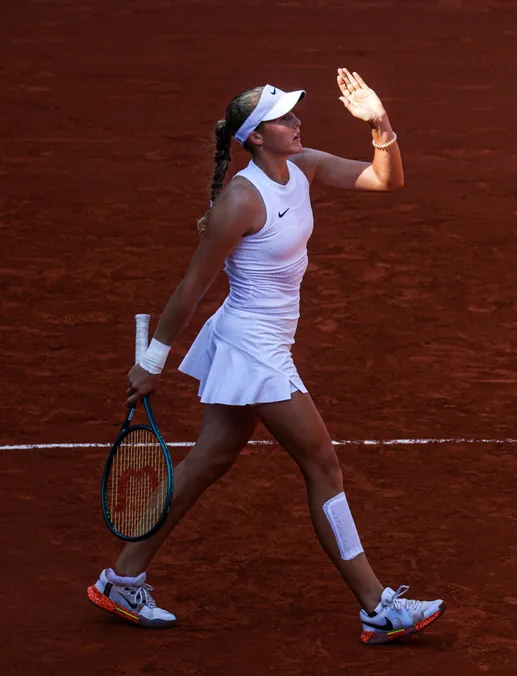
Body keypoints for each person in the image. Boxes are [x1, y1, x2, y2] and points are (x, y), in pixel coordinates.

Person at [87, 70, 444, 646]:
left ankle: (122, 577)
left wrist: (380, 124)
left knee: (207, 461)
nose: (297, 123)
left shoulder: (301, 168)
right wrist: (151, 363)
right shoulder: (241, 200)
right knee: (322, 465)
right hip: (252, 347)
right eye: (284, 118)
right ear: (256, 137)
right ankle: (377, 605)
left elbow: (384, 180)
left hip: (265, 343)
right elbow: (190, 288)